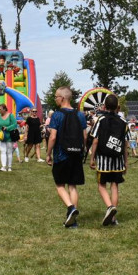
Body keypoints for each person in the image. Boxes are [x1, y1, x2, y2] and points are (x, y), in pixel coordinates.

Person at [46, 86, 88, 228]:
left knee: (59, 184)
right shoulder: (80, 115)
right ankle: (73, 220)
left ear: (62, 98)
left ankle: (71, 208)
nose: (55, 99)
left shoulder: (57, 115)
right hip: (76, 154)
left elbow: (52, 137)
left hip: (61, 154)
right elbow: (84, 136)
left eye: (56, 96)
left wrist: (48, 153)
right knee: (73, 185)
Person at [88, 94, 128, 227]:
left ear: (104, 106)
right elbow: (125, 144)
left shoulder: (100, 120)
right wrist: (126, 162)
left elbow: (95, 140)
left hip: (104, 158)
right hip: (118, 159)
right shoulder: (123, 122)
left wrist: (92, 158)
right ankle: (113, 218)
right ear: (118, 106)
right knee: (115, 186)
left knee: (101, 185)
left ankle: (109, 206)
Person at [0, 103, 18, 172]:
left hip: (9, 137)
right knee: (2, 151)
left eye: (0, 109)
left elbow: (15, 125)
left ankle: (9, 167)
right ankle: (3, 166)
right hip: (0, 137)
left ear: (4, 109)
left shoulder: (10, 116)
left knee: (9, 152)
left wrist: (7, 128)